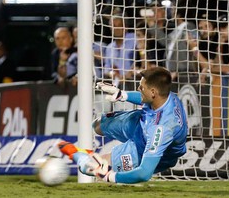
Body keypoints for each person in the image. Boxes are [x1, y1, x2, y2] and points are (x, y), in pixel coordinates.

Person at [59, 67, 187, 184]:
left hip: (143, 150)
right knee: (98, 125)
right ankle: (87, 152)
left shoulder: (162, 129)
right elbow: (145, 97)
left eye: (141, 87)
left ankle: (75, 153)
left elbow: (144, 173)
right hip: (141, 123)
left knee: (93, 167)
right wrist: (122, 95)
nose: (138, 89)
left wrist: (110, 176)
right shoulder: (167, 96)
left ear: (153, 92)